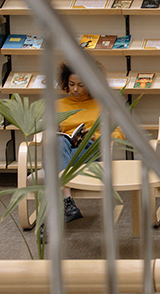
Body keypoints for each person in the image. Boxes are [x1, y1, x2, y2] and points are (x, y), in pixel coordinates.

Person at [56, 61, 125, 223]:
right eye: (71, 84)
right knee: (58, 142)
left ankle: (59, 209)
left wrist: (94, 136)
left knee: (54, 160)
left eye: (81, 85)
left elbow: (120, 135)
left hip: (89, 150)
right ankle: (68, 202)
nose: (75, 89)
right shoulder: (58, 105)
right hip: (63, 149)